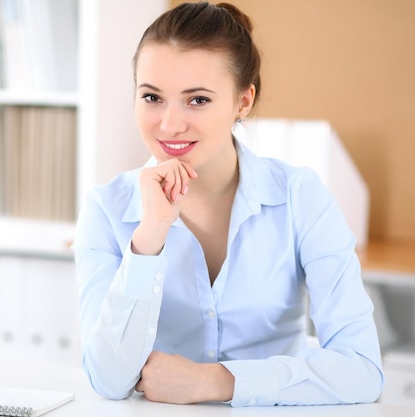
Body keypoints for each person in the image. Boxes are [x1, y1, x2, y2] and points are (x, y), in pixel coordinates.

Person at [72, 1, 384, 407]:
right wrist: (148, 239)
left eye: (197, 100)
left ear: (243, 101)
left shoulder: (299, 197)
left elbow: (362, 369)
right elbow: (108, 379)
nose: (169, 124)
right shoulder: (106, 210)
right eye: (152, 97)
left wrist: (217, 382)